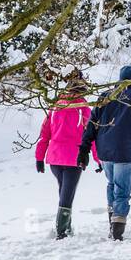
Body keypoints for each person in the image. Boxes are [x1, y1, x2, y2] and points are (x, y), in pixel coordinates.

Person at [78, 65, 131, 241]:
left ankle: (113, 224)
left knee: (112, 184)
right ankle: (117, 231)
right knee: (122, 191)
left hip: (105, 152)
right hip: (125, 152)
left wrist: (84, 149)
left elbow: (91, 124)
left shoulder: (105, 97)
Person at [34, 69, 97, 240]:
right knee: (66, 196)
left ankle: (66, 228)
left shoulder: (55, 106)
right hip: (73, 158)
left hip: (54, 158)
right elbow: (90, 136)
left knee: (64, 192)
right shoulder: (83, 109)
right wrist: (99, 159)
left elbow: (44, 134)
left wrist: (39, 158)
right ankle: (61, 232)